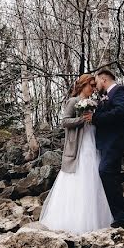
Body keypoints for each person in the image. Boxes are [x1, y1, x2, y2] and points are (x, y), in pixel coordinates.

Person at [39, 74, 114, 234]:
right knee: (77, 177)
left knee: (93, 177)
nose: (94, 89)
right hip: (78, 147)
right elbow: (65, 121)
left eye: (95, 86)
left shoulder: (94, 103)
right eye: (91, 85)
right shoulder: (73, 102)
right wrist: (82, 119)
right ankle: (73, 220)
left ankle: (96, 218)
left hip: (92, 143)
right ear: (83, 85)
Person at [84, 69, 124, 229]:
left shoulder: (121, 91)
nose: (95, 85)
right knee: (110, 175)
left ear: (104, 79)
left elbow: (122, 112)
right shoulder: (105, 97)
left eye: (97, 81)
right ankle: (120, 218)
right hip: (107, 144)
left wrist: (96, 118)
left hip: (116, 142)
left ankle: (122, 218)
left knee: (105, 171)